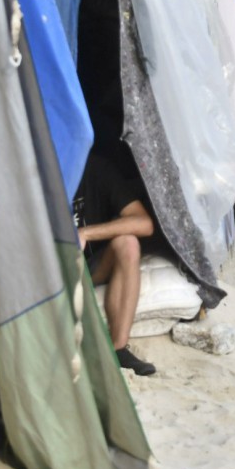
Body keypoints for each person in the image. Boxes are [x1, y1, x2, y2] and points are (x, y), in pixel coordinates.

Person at [75, 151, 158, 376]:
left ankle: (118, 348)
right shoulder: (36, 173)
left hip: (89, 266)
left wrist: (84, 233)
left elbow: (144, 223)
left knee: (128, 244)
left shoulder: (95, 168)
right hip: (50, 269)